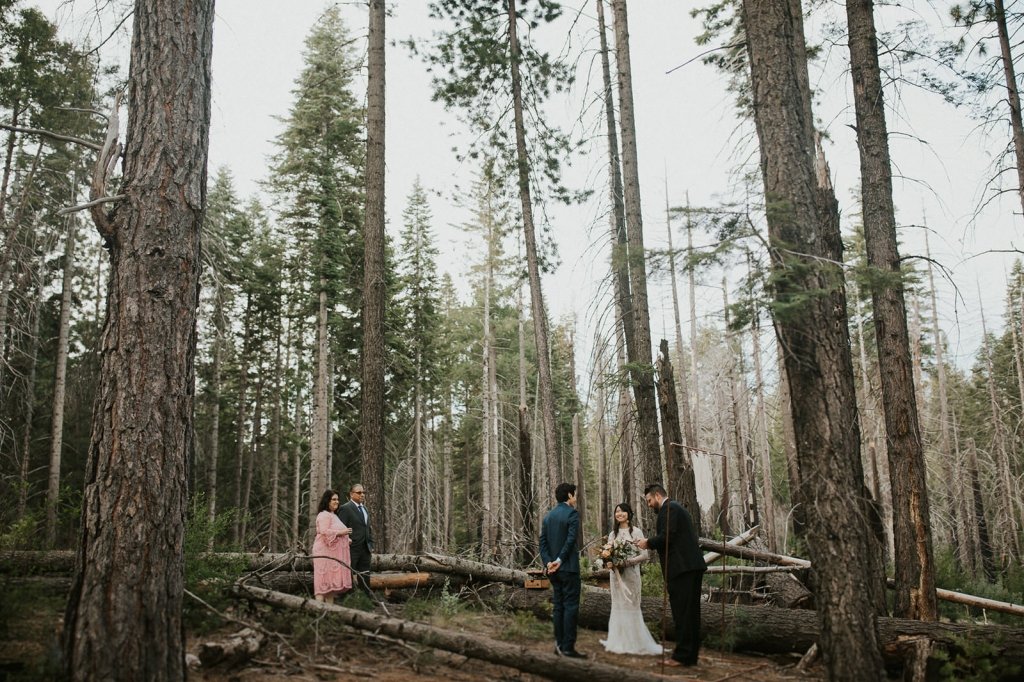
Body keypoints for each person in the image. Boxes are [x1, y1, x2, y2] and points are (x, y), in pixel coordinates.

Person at [636, 483, 707, 667]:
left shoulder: (669, 509)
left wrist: (647, 543)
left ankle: (682, 656)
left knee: (683, 613)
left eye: (649, 500)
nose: (649, 504)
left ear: (658, 495)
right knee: (690, 613)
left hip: (682, 569)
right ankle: (690, 655)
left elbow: (668, 536)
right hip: (689, 567)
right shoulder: (673, 508)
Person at [599, 502, 663, 655]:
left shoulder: (636, 532)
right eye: (617, 512)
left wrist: (628, 562)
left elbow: (645, 555)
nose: (619, 514)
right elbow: (607, 553)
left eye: (622, 511)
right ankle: (618, 639)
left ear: (628, 514)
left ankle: (634, 641)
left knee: (631, 605)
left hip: (631, 575)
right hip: (615, 577)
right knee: (618, 605)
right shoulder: (612, 535)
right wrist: (608, 562)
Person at [539, 482, 585, 659]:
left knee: (558, 606)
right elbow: (571, 540)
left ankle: (558, 644)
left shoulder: (548, 516)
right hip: (568, 568)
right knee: (571, 606)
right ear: (569, 496)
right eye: (574, 494)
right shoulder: (572, 514)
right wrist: (558, 561)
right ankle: (568, 648)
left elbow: (542, 543)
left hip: (553, 570)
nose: (575, 498)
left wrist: (548, 562)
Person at [311, 489, 353, 603]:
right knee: (322, 582)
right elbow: (324, 532)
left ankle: (330, 611)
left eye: (338, 499)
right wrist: (341, 533)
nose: (337, 502)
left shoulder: (333, 515)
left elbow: (335, 529)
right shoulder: (324, 515)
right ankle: (318, 609)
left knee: (329, 584)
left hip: (330, 553)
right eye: (334, 499)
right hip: (323, 552)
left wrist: (346, 539)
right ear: (327, 501)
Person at [337, 483, 373, 597]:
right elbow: (341, 528)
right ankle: (349, 599)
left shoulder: (365, 508)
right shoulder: (345, 508)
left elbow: (367, 527)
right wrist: (348, 542)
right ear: (351, 494)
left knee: (365, 574)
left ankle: (366, 599)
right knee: (348, 573)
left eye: (363, 492)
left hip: (366, 548)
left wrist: (370, 543)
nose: (362, 495)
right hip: (351, 548)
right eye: (359, 493)